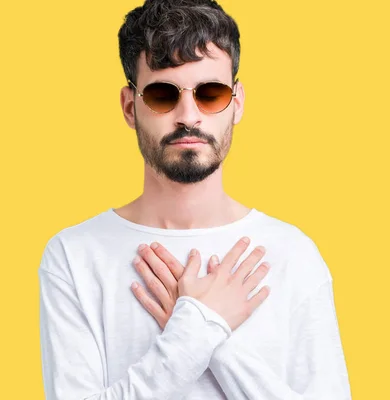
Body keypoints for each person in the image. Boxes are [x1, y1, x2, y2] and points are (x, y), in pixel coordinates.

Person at [37, 0, 352, 398]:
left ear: (236, 103)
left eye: (211, 93)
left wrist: (208, 334)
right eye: (163, 95)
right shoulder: (73, 256)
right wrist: (199, 327)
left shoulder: (294, 254)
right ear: (129, 106)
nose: (188, 115)